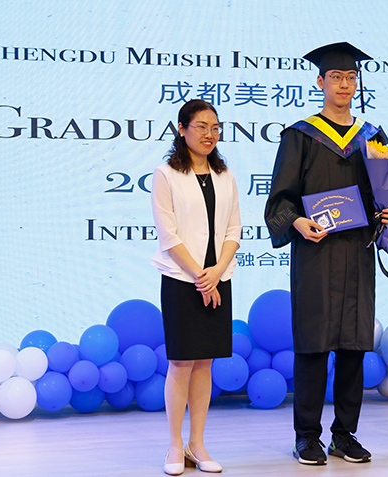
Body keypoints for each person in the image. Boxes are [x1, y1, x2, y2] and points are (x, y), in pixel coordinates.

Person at [264, 42, 388, 466]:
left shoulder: (373, 137)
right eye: (336, 77)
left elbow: (387, 193)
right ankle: (307, 436)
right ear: (320, 81)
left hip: (357, 253)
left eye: (350, 77)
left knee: (354, 347)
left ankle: (344, 435)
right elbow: (280, 200)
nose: (344, 84)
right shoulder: (300, 136)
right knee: (314, 346)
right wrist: (297, 222)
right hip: (316, 254)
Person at [151, 99, 241, 475]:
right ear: (181, 129)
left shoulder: (225, 175)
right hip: (181, 280)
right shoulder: (166, 174)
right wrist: (200, 276)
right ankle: (175, 445)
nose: (209, 134)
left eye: (215, 127)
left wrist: (215, 272)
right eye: (201, 126)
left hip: (218, 279)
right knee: (181, 361)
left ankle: (197, 444)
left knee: (205, 361)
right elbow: (168, 236)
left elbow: (234, 230)